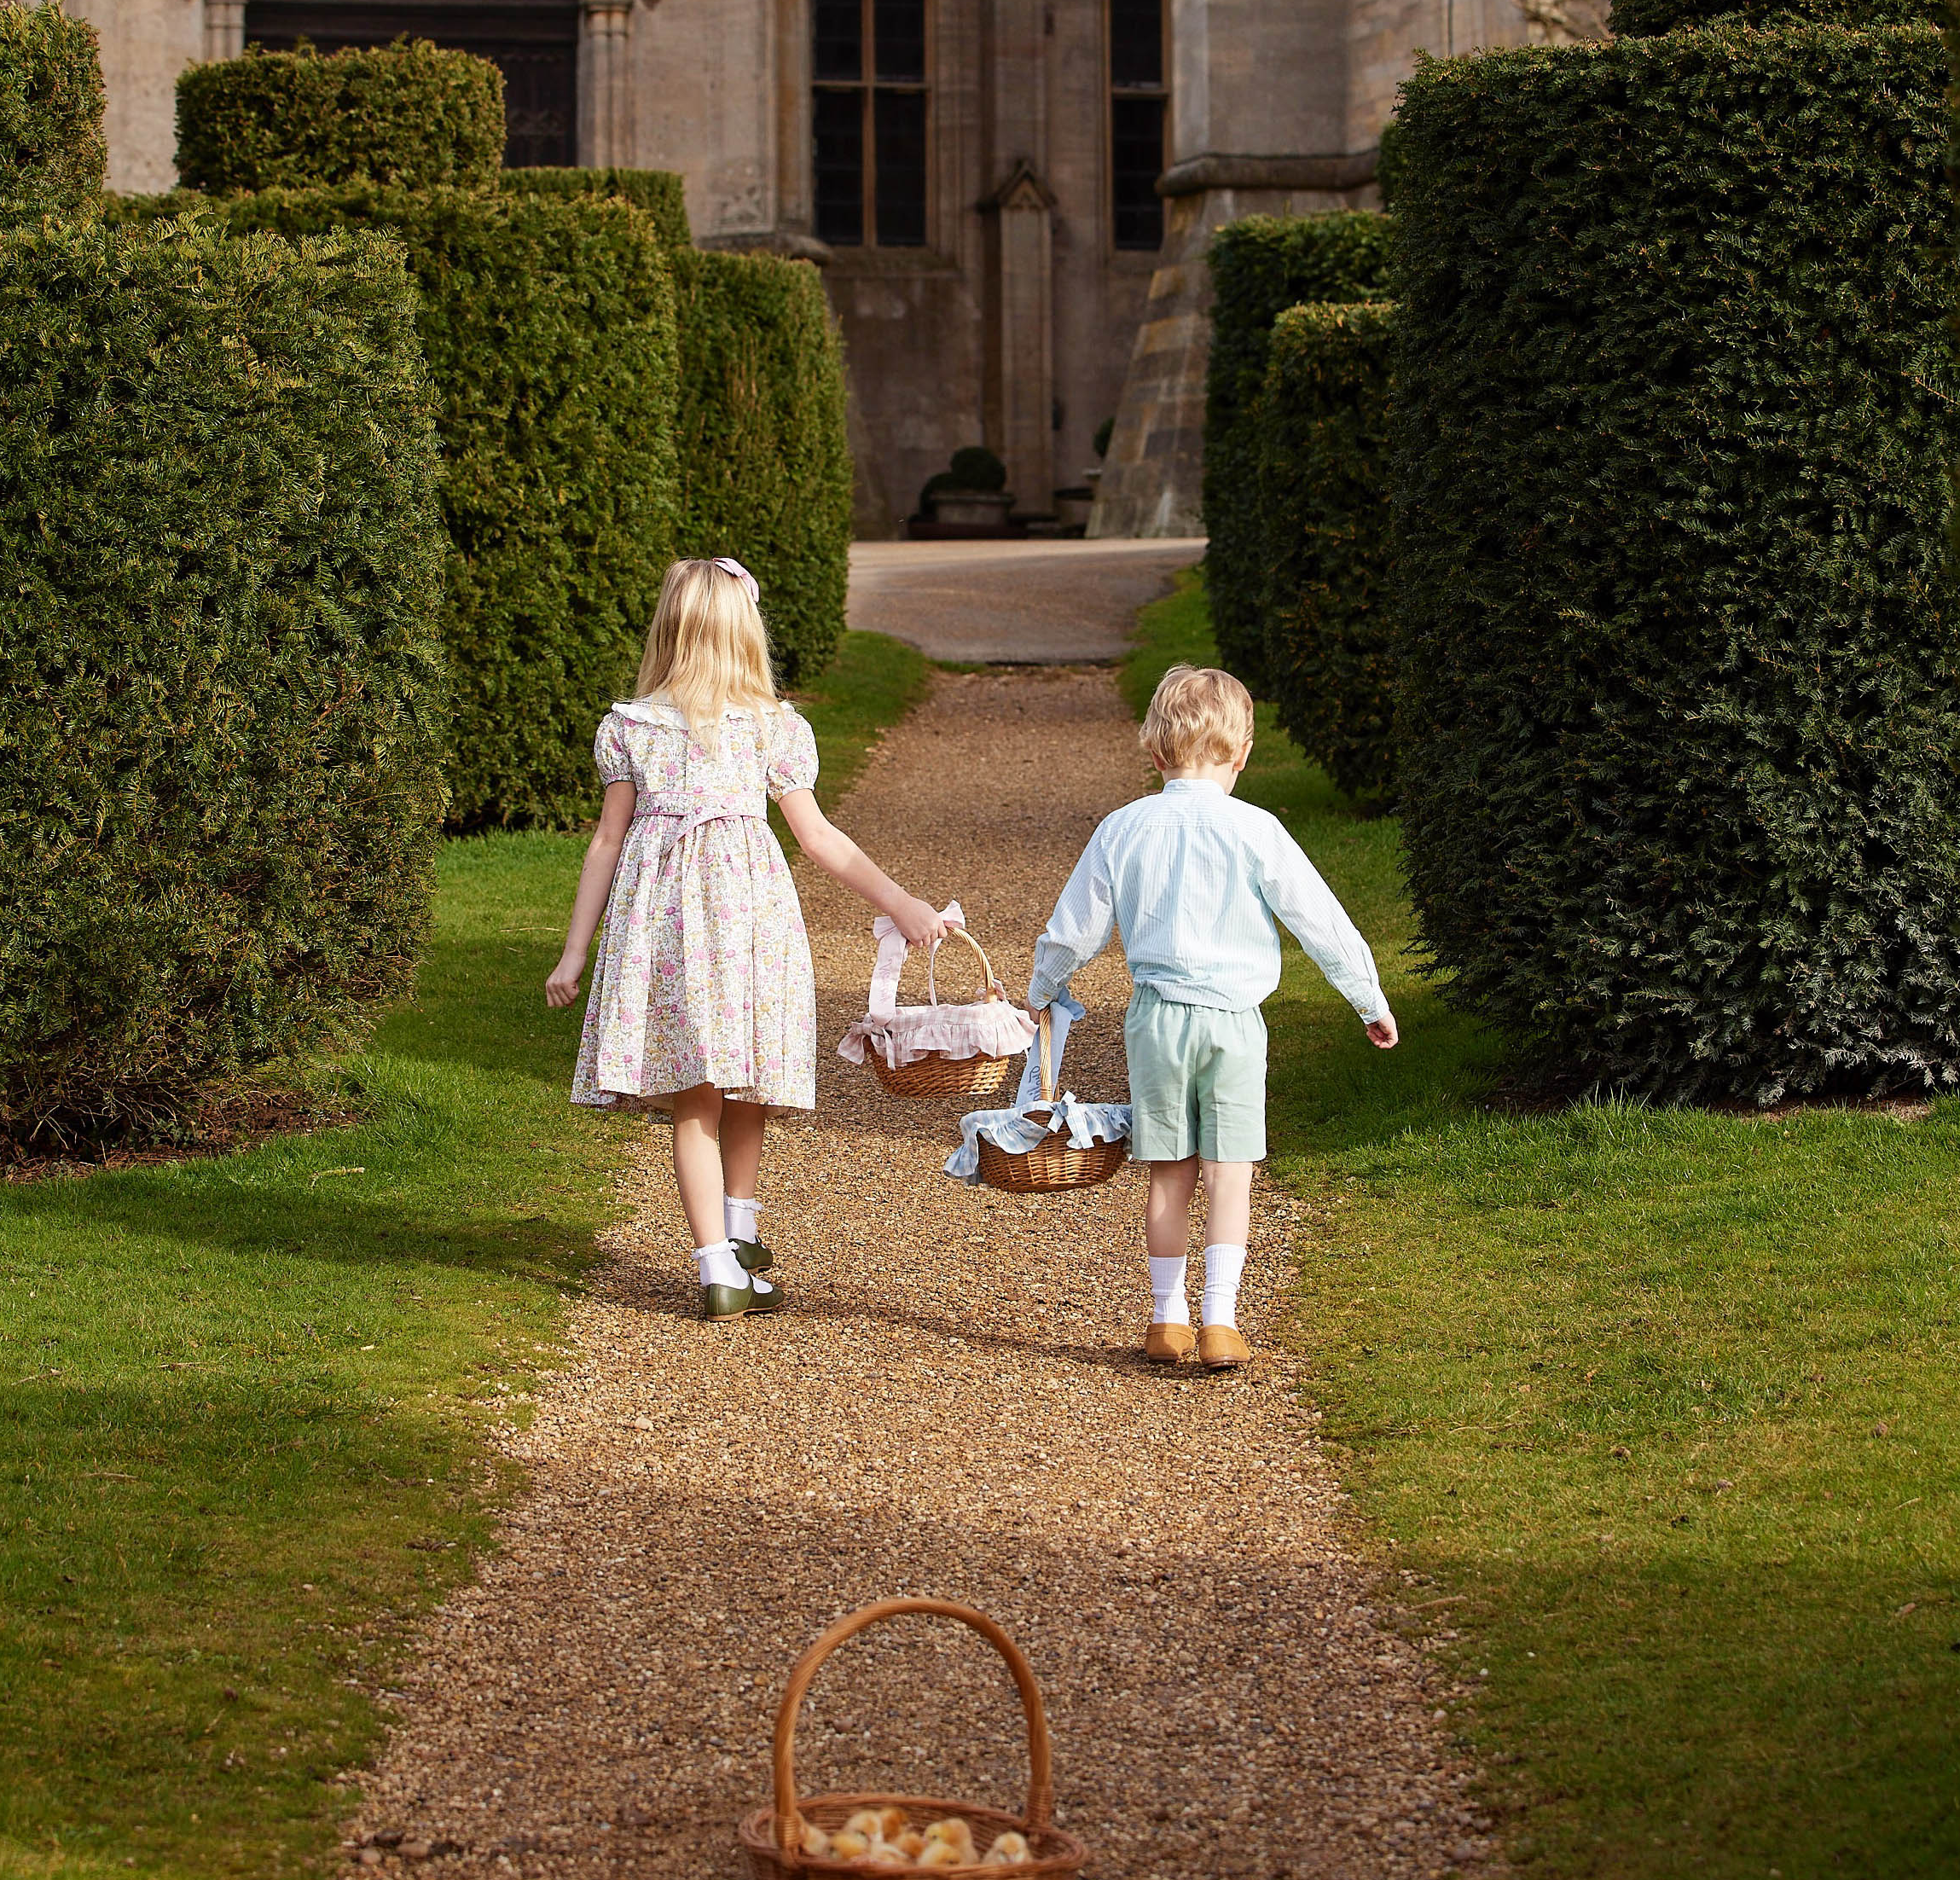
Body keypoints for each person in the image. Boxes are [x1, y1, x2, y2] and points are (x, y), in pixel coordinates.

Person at [546, 557, 947, 1321]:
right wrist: (905, 903)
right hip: (747, 927)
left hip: (661, 928)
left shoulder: (631, 726)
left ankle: (721, 1262)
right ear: (746, 633)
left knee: (696, 1095)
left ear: (669, 628)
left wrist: (576, 952)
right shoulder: (774, 728)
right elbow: (822, 839)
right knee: (742, 1077)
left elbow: (606, 842)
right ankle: (737, 1237)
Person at [1029, 663, 1397, 1370]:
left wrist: (1045, 987)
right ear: (1243, 752)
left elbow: (1075, 928)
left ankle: (1166, 1319)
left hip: (1157, 1021)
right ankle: (1220, 1321)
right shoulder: (1256, 828)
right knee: (1231, 1170)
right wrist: (1368, 999)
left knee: (1169, 1170)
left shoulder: (1124, 827)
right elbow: (1319, 920)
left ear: (1155, 752)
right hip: (1233, 1023)